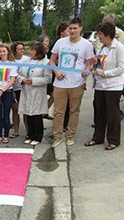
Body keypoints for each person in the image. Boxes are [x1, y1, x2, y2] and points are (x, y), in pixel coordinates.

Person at [49, 17, 95, 148]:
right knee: (58, 112)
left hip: (77, 83)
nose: (72, 31)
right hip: (60, 83)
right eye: (70, 28)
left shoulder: (86, 45)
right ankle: (57, 136)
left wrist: (86, 71)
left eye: (75, 28)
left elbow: (89, 62)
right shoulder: (60, 42)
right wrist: (57, 72)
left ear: (80, 28)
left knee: (74, 111)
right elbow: (52, 61)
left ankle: (70, 135)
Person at [85, 22, 124, 150]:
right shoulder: (102, 47)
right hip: (100, 85)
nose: (98, 37)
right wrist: (95, 64)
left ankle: (113, 140)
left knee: (112, 114)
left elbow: (122, 68)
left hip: (113, 86)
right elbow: (101, 63)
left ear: (108, 34)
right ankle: (97, 137)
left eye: (100, 34)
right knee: (99, 112)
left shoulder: (120, 47)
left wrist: (105, 73)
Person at [18, 42, 52, 146]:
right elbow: (18, 73)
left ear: (38, 51)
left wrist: (33, 81)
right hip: (26, 90)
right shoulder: (26, 61)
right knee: (28, 114)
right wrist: (23, 80)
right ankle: (30, 134)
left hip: (37, 91)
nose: (30, 52)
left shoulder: (46, 63)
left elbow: (48, 79)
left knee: (36, 115)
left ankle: (38, 136)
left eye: (33, 50)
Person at [0, 43, 18, 143]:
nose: (2, 53)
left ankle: (6, 135)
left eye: (4, 51)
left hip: (7, 92)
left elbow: (12, 80)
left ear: (7, 52)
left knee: (6, 114)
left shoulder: (12, 64)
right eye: (0, 51)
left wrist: (2, 90)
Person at [47, 22, 70, 122]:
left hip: (68, 75)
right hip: (55, 73)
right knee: (55, 96)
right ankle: (43, 111)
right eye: (68, 30)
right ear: (62, 32)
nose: (70, 32)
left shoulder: (69, 43)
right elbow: (50, 59)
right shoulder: (57, 43)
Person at [11, 42, 28, 138]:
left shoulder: (27, 60)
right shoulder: (11, 60)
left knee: (25, 110)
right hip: (14, 88)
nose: (21, 51)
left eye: (22, 49)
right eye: (19, 49)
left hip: (24, 88)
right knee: (15, 110)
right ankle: (16, 131)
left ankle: (28, 131)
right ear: (14, 51)